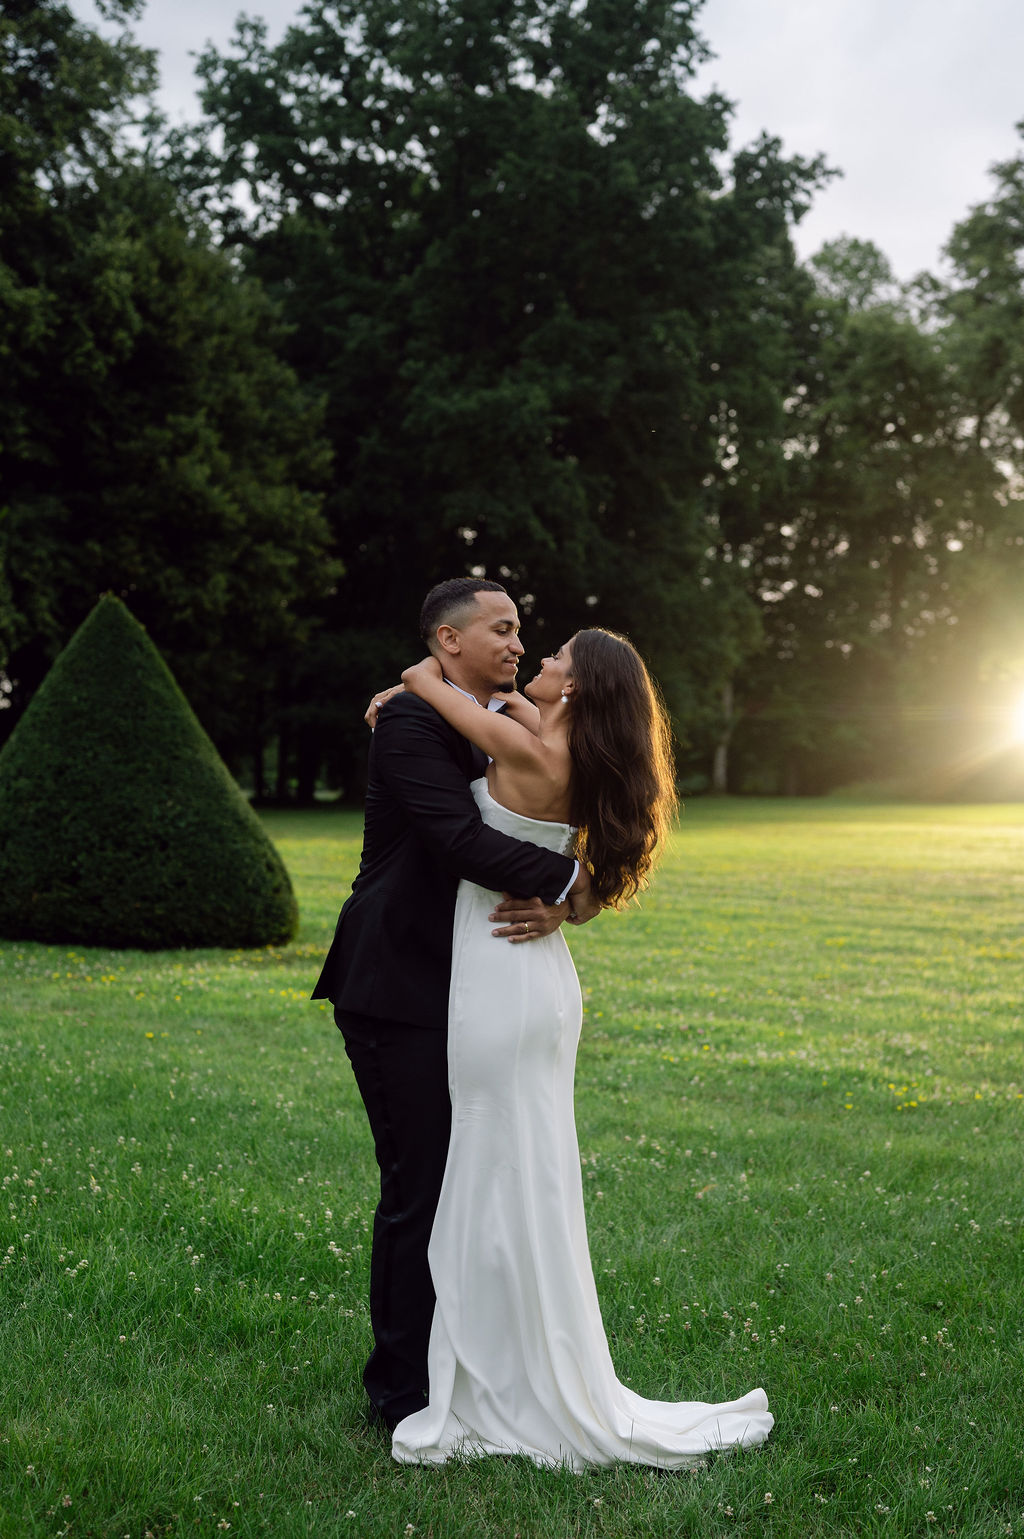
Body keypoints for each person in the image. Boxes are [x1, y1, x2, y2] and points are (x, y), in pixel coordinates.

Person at [389, 629, 773, 1468]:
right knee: (523, 1166)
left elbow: (433, 682)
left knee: (491, 1163)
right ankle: (517, 1351)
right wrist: (570, 905)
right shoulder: (565, 747)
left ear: (577, 687)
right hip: (540, 972)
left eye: (555, 656)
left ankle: (497, 1376)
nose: (540, 661)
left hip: (498, 971)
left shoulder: (527, 744)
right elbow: (592, 875)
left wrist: (409, 684)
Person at [311, 578, 600, 1432]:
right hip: (398, 984)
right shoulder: (407, 719)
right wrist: (570, 882)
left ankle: (471, 1362)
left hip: (479, 986)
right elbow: (458, 839)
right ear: (448, 638)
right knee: (420, 1183)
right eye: (502, 629)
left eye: (524, 631)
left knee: (473, 1179)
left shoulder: (501, 718)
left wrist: (573, 897)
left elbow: (569, 808)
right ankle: (400, 1391)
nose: (519, 644)